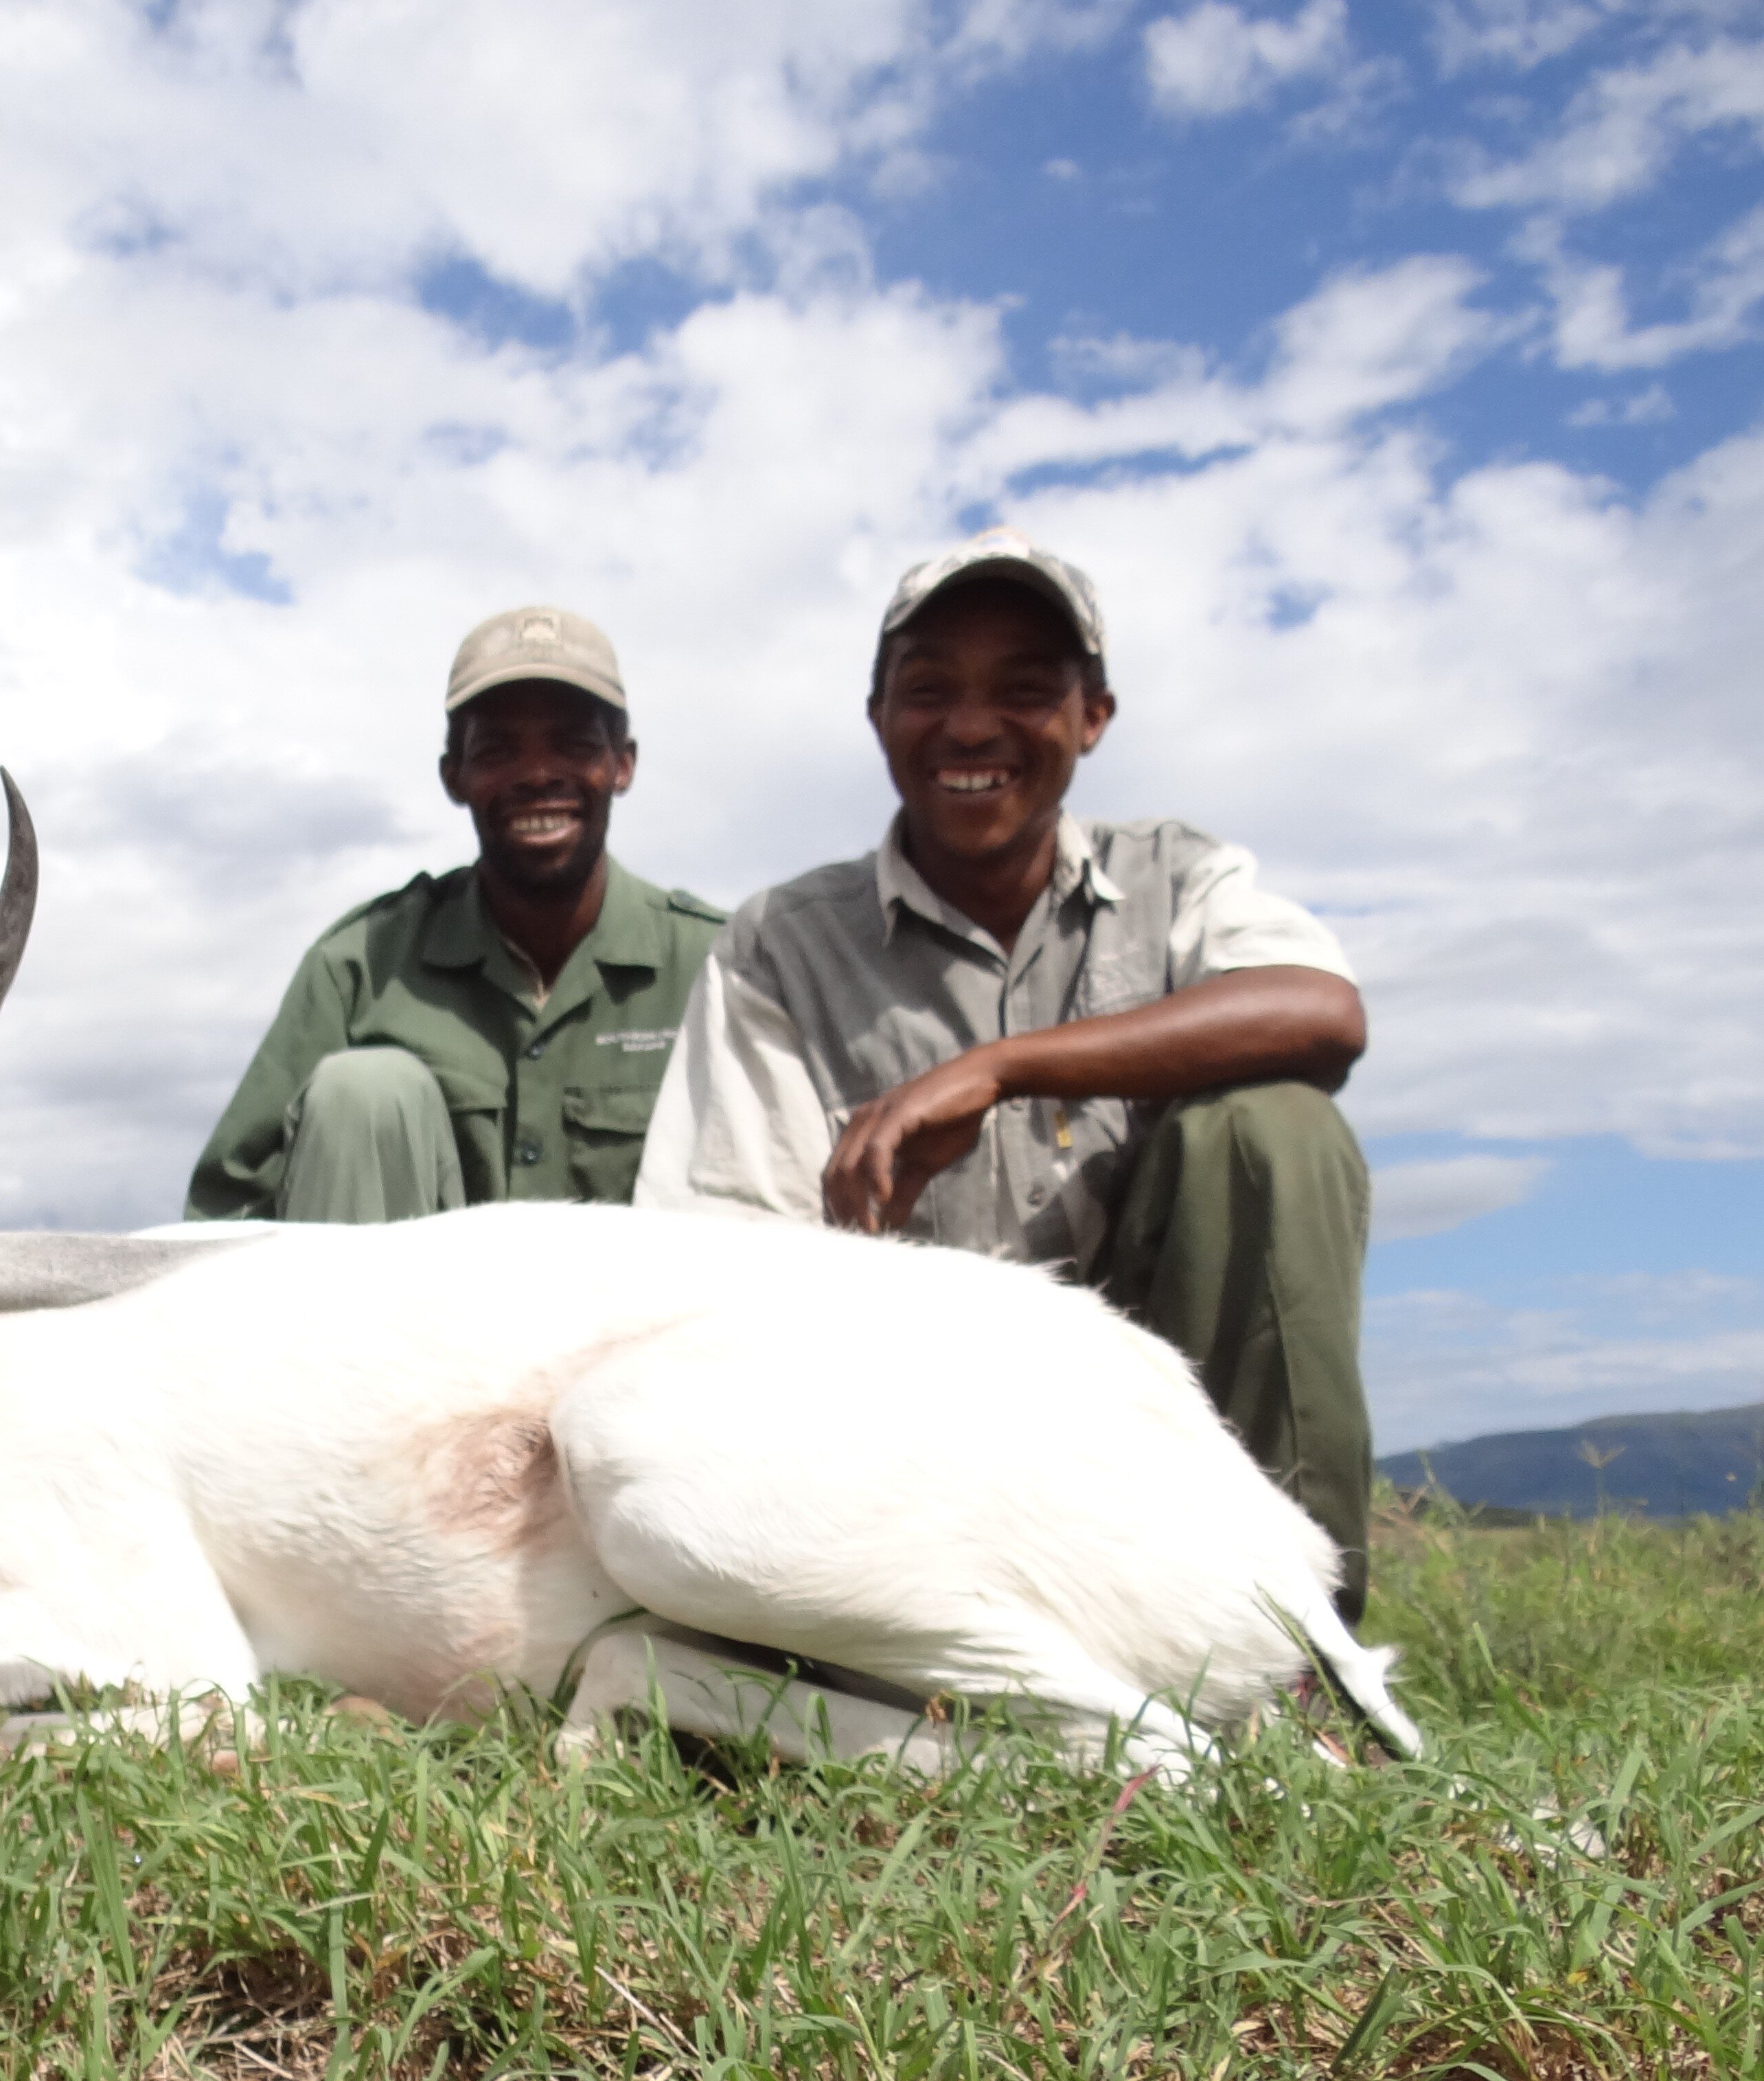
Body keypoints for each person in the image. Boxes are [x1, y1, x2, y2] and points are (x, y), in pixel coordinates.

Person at [635, 531, 1374, 1619]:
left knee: (1277, 1129)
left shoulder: (1178, 879)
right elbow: (718, 1253)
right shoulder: (781, 944)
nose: (972, 726)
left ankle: (1305, 1649)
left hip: (1171, 1446)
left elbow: (1322, 1010)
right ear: (879, 716)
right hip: (914, 1458)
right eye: (929, 689)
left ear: (1093, 718)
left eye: (1024, 691)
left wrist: (1000, 1069)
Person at [187, 606, 722, 1222]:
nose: (538, 775)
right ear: (454, 776)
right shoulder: (361, 966)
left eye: (573, 745)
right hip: (394, 1316)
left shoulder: (721, 968)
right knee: (363, 1092)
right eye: (498, 751)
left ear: (622, 764)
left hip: (644, 1317)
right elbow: (223, 1218)